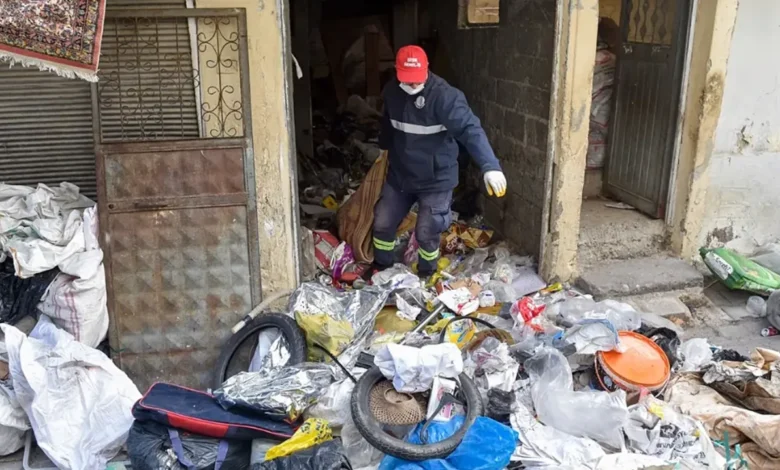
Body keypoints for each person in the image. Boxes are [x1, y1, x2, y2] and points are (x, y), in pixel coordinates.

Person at [371, 45, 507, 277]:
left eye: (417, 78)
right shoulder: (392, 93)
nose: (413, 84)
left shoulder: (445, 97)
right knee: (382, 222)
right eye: (407, 78)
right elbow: (389, 125)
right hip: (401, 175)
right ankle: (382, 267)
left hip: (436, 179)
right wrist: (382, 148)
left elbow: (470, 129)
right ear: (397, 71)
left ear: (427, 69)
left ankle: (427, 272)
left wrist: (490, 166)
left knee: (427, 231)